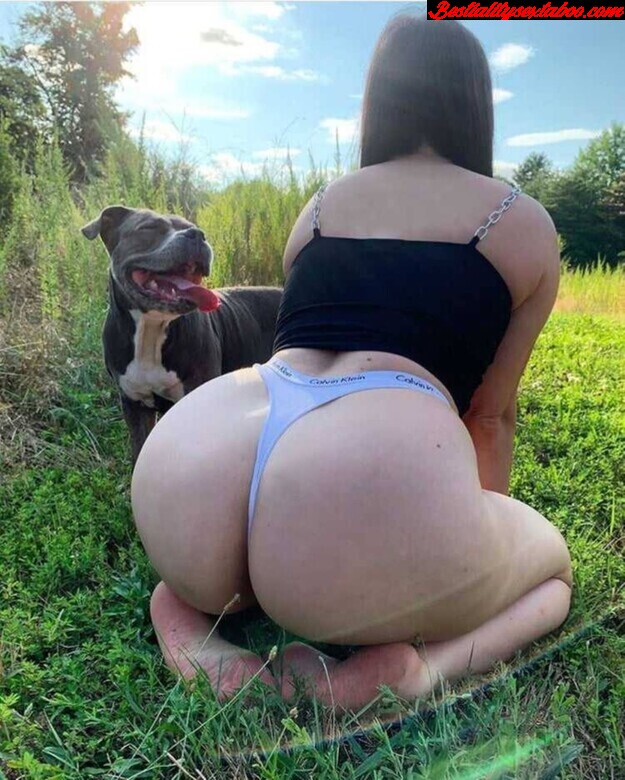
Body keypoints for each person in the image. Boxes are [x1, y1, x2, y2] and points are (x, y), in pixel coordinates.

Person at [131, 16, 572, 711]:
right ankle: (417, 672)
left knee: (193, 576)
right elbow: (490, 416)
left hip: (195, 458)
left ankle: (185, 611)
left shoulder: (319, 208)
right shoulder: (519, 219)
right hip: (365, 476)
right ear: (474, 103)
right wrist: (465, 540)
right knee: (553, 574)